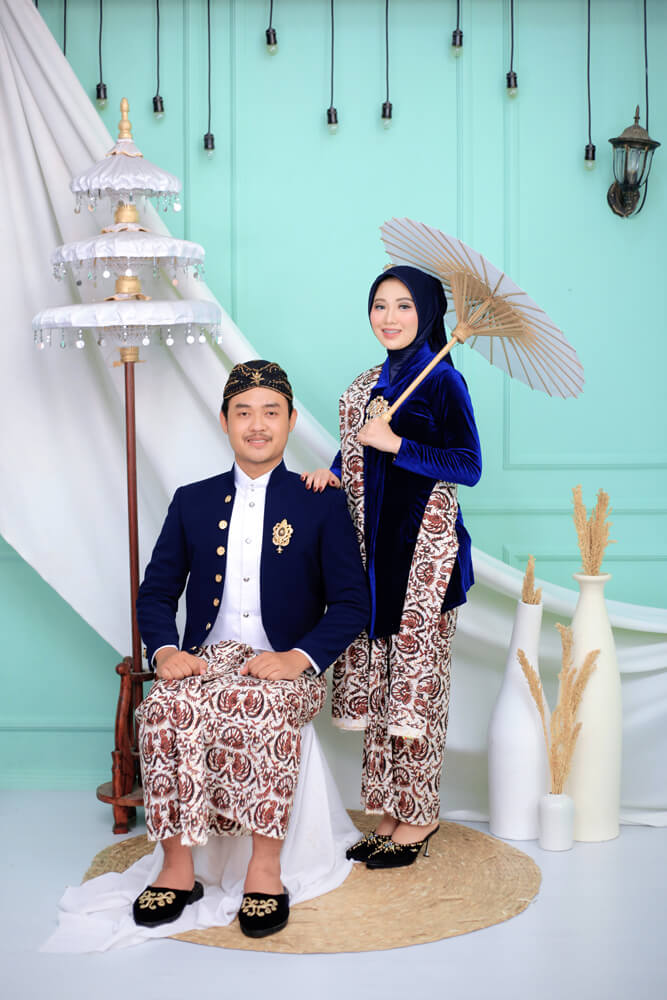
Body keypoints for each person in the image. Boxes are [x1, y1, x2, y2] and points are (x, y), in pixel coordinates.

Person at [134, 359, 369, 938]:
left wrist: (299, 659)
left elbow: (352, 603)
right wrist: (164, 652)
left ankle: (265, 868)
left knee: (262, 708)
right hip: (206, 661)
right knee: (161, 708)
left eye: (270, 413)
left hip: (287, 666)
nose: (257, 425)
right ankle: (177, 866)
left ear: (291, 421)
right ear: (224, 421)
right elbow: (157, 593)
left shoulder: (319, 501)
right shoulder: (191, 501)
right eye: (243, 413)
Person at [303, 265, 482, 869]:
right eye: (380, 305)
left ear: (427, 313)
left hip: (423, 562)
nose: (389, 317)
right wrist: (334, 469)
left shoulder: (443, 380)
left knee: (416, 691)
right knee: (380, 692)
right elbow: (356, 448)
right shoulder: (367, 383)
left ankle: (420, 814)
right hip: (370, 562)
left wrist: (398, 444)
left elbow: (468, 464)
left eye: (404, 306)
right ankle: (388, 812)